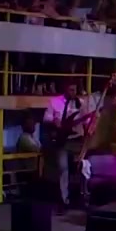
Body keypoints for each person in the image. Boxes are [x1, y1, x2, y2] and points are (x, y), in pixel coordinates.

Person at [42, 80, 96, 211]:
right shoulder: (55, 102)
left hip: (77, 141)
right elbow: (46, 118)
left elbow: (88, 121)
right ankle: (64, 199)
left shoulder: (81, 104)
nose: (73, 92)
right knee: (63, 168)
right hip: (62, 141)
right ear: (65, 89)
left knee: (83, 167)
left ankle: (83, 196)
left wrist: (90, 127)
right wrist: (54, 121)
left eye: (75, 90)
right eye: (71, 90)